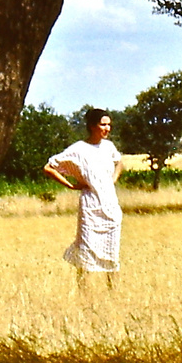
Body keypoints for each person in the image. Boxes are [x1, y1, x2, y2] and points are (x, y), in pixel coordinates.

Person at [43, 107, 124, 283]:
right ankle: (83, 295)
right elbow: (49, 167)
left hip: (111, 206)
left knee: (112, 252)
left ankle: (114, 295)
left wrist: (112, 181)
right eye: (103, 125)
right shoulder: (79, 149)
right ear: (92, 126)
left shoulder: (109, 147)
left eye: (109, 125)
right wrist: (71, 185)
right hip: (91, 207)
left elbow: (119, 162)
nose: (107, 128)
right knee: (86, 251)